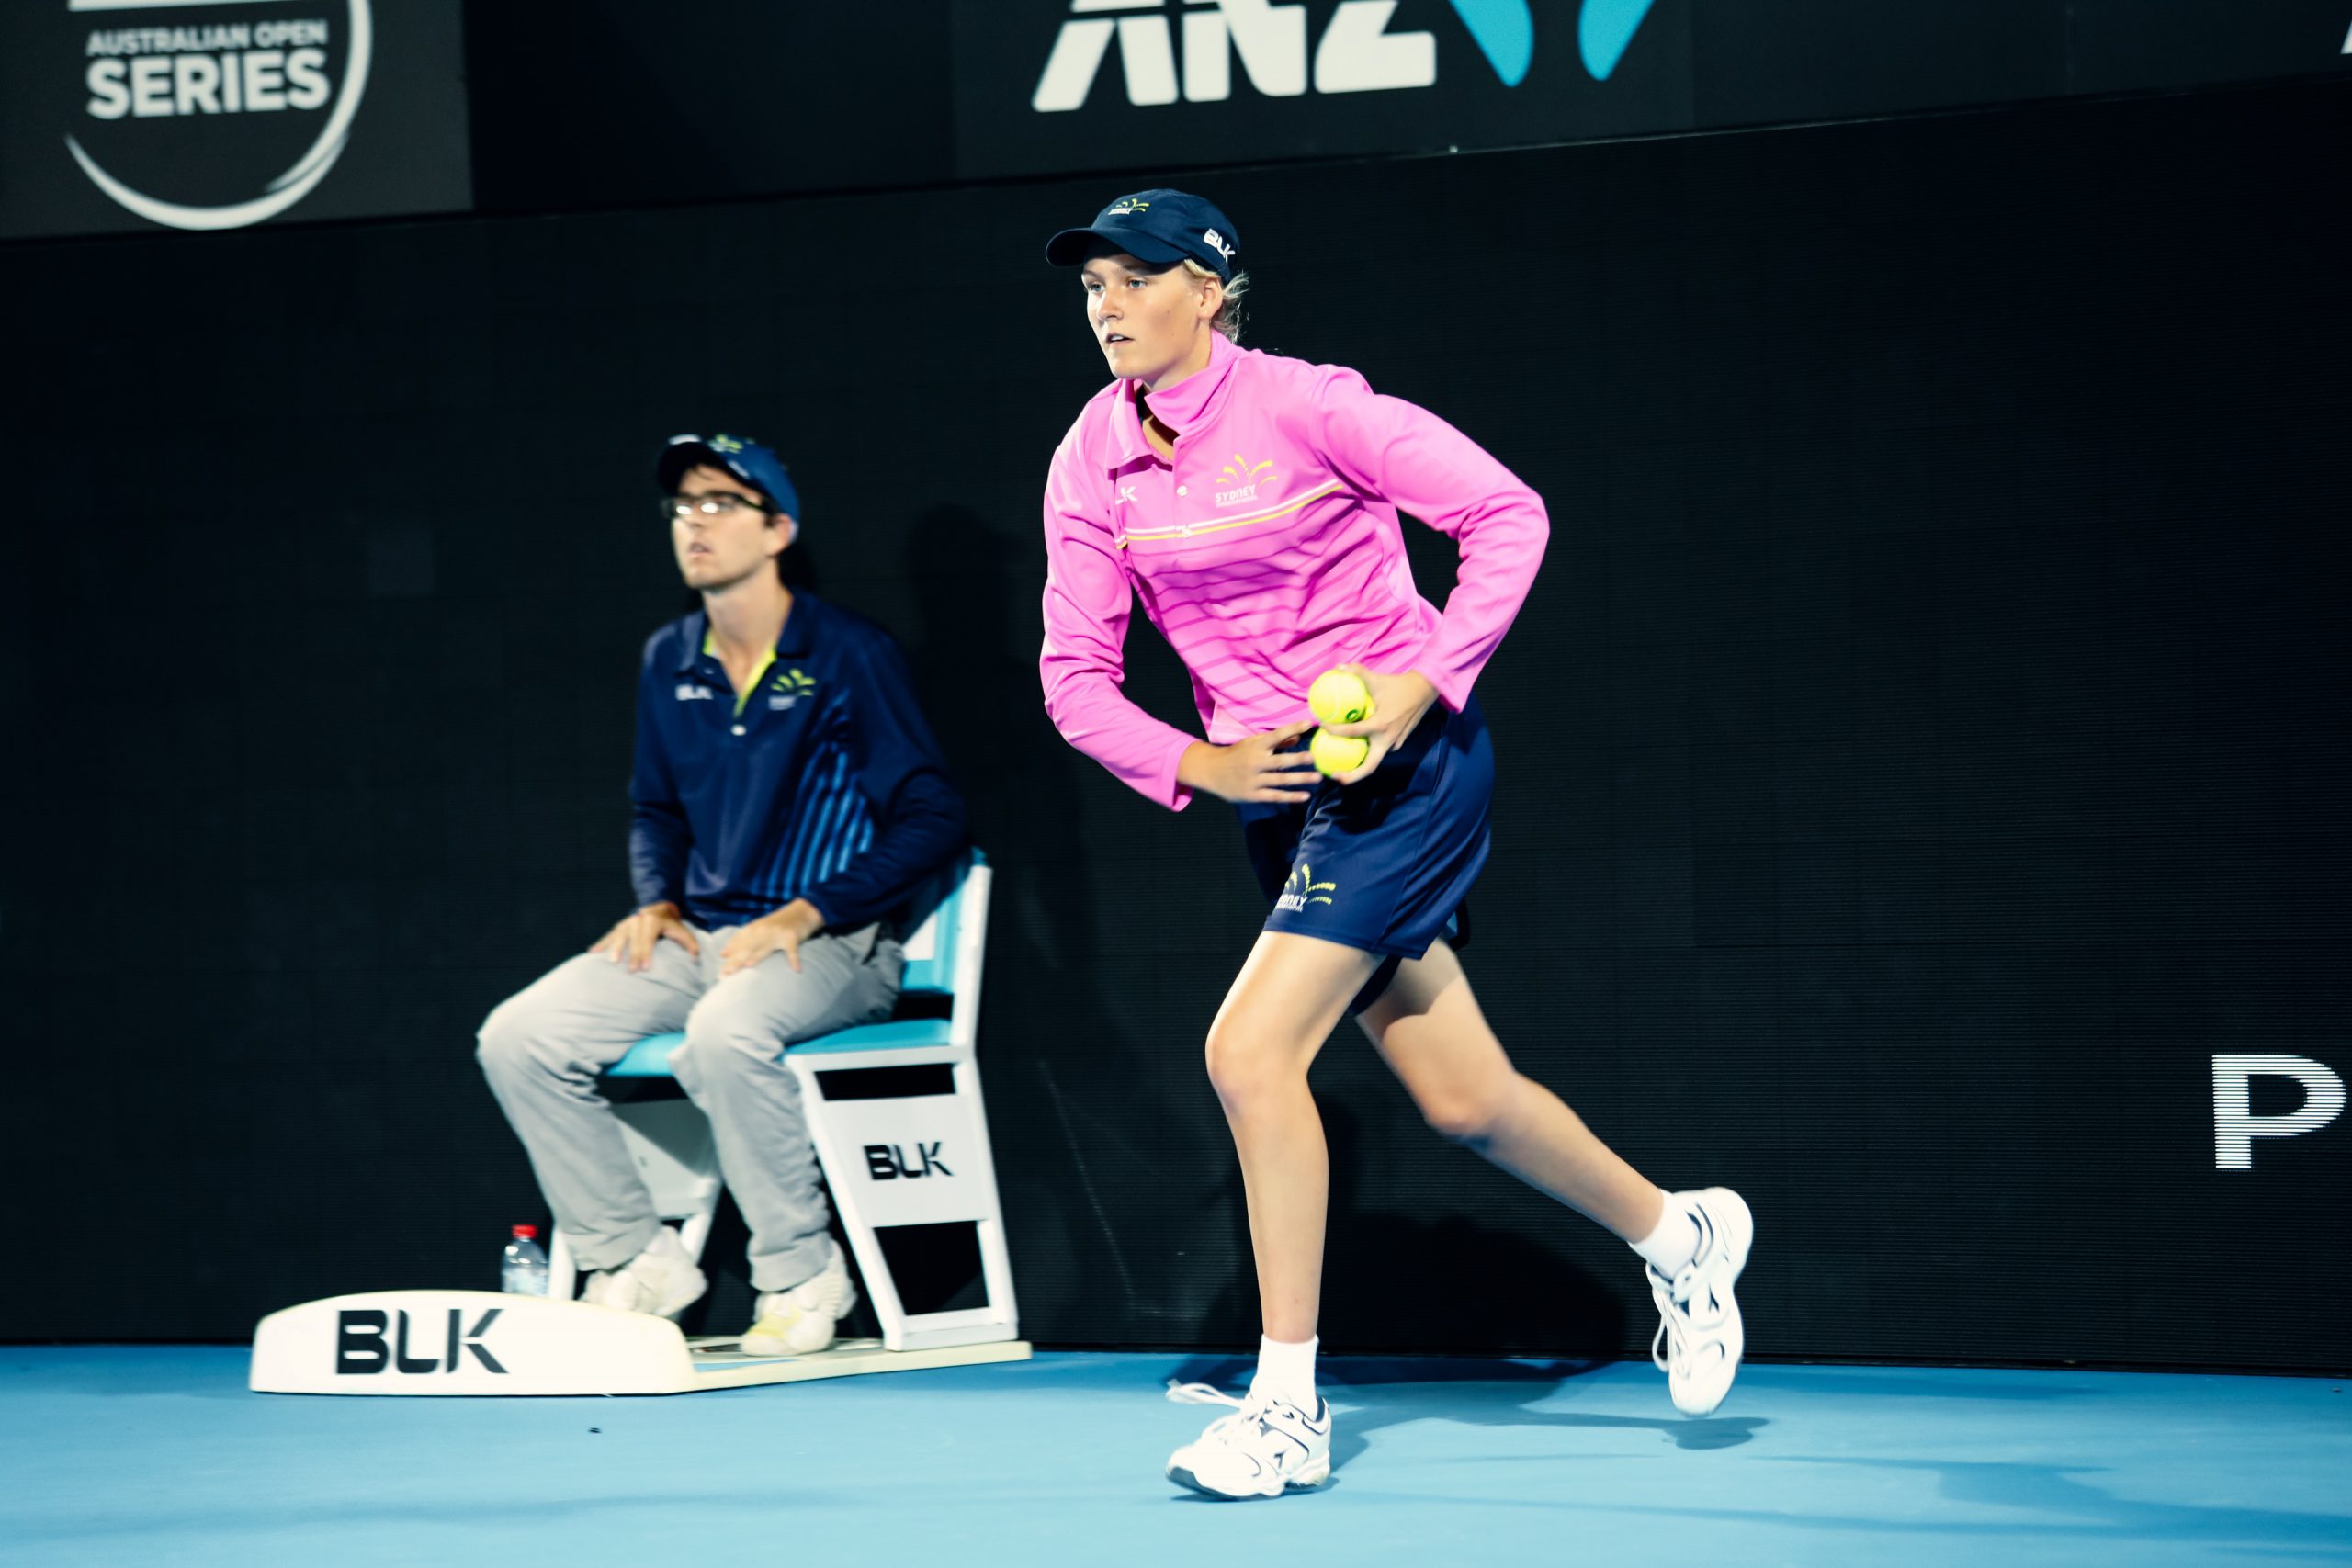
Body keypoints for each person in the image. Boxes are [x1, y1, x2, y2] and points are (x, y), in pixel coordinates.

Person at [1037, 191, 1753, 1497]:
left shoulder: (1315, 407)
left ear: (1210, 289)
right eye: (1092, 284)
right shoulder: (1089, 457)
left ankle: (1286, 1407)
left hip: (1407, 771)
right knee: (1463, 1098)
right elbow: (1073, 678)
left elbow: (1507, 516)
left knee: (1247, 1052)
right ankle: (1684, 1230)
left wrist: (1426, 677)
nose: (1108, 303)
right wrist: (1197, 762)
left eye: (1136, 278)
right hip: (1279, 797)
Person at [478, 433, 967, 1355]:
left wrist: (807, 910)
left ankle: (800, 1273)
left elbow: (933, 815)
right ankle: (635, 1257)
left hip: (836, 945)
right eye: (682, 508)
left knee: (725, 1031)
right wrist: (657, 898)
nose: (694, 525)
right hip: (705, 940)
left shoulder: (848, 653)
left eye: (720, 505)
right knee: (520, 1035)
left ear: (778, 528)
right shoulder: (670, 657)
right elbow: (654, 808)